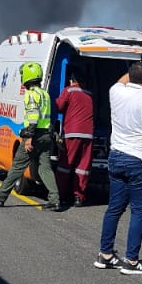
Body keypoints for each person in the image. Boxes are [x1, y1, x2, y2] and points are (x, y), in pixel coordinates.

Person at [95, 61, 142, 274]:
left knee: (115, 208)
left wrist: (139, 67)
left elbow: (121, 81)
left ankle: (105, 254)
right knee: (139, 211)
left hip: (116, 156)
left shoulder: (115, 91)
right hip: (138, 158)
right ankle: (131, 260)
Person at [0, 63, 65, 211]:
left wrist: (29, 138)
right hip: (46, 135)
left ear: (28, 76)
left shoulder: (30, 94)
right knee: (45, 169)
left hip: (34, 136)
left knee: (18, 166)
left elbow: (33, 117)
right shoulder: (45, 94)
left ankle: (0, 196)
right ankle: (55, 199)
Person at [55, 72, 96, 206]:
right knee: (83, 167)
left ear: (72, 80)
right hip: (88, 134)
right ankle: (78, 197)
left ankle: (61, 195)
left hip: (72, 133)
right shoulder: (90, 94)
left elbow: (59, 107)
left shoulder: (69, 90)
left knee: (66, 165)